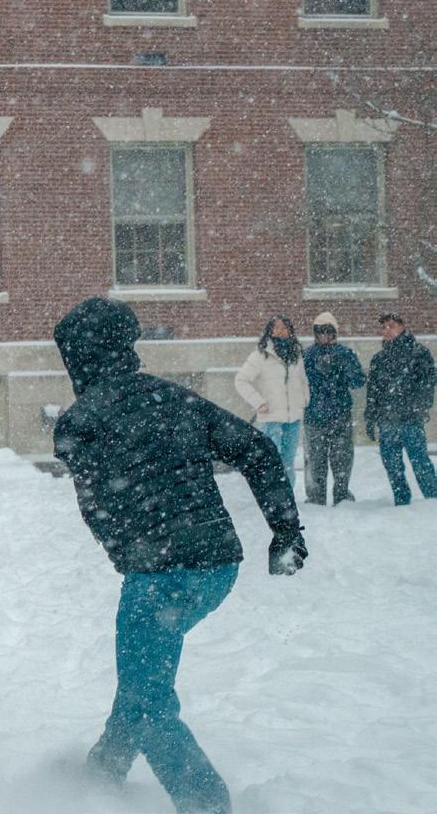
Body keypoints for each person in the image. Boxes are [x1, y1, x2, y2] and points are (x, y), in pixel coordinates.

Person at [53, 297, 306, 814]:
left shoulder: (80, 420)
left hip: (158, 574)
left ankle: (205, 804)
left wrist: (127, 551)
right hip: (218, 565)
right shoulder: (173, 398)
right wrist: (285, 531)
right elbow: (257, 450)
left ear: (78, 356)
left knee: (148, 700)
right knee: (143, 681)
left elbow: (96, 507)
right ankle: (105, 771)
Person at [364, 312, 437, 506]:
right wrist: (370, 417)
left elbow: (429, 382)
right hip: (387, 422)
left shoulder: (419, 353)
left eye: (391, 326)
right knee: (393, 466)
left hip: (411, 420)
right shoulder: (379, 359)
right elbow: (372, 392)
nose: (386, 330)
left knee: (420, 463)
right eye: (383, 327)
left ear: (402, 327)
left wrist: (421, 406)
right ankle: (402, 503)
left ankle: (433, 501)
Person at [302, 312, 365, 506]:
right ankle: (316, 498)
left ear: (335, 332)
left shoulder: (345, 354)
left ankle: (342, 494)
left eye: (328, 331)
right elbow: (299, 384)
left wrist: (345, 369)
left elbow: (358, 381)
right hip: (314, 416)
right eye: (320, 331)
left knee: (342, 459)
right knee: (315, 460)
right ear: (315, 333)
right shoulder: (306, 355)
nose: (325, 335)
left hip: (340, 415)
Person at [234, 315, 310, 477]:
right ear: (270, 331)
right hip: (271, 419)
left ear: (290, 331)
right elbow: (240, 380)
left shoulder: (296, 354)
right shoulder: (261, 355)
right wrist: (259, 403)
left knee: (288, 463)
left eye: (284, 327)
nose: (281, 331)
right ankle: (272, 493)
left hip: (293, 419)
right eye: (276, 327)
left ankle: (288, 493)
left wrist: (304, 399)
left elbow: (303, 380)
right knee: (270, 463)